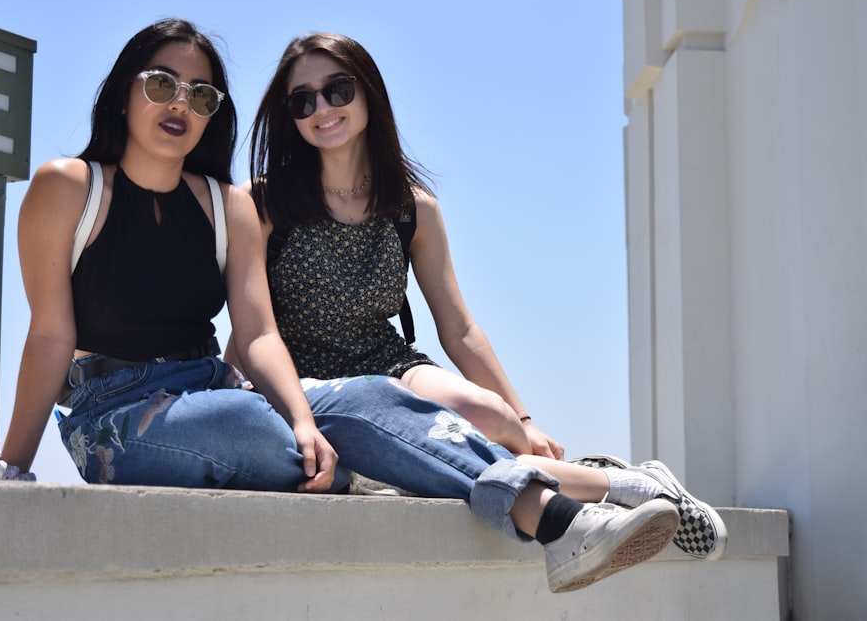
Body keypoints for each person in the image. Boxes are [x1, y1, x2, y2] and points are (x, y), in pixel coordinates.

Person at [0, 18, 683, 594]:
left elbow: (257, 331)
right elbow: (51, 335)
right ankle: (425, 475)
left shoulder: (226, 205)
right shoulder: (71, 186)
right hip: (111, 411)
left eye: (201, 94)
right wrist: (12, 470)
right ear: (124, 94)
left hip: (212, 386)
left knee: (369, 401)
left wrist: (302, 417)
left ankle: (555, 518)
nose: (180, 102)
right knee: (245, 419)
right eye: (161, 84)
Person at [228, 31, 727, 562]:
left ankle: (613, 486)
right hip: (301, 381)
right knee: (432, 446)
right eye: (303, 100)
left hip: (389, 364)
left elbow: (459, 328)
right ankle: (626, 487)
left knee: (490, 418)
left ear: (369, 92)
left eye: (338, 89)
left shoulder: (412, 208)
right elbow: (253, 331)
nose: (322, 108)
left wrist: (525, 421)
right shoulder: (262, 203)